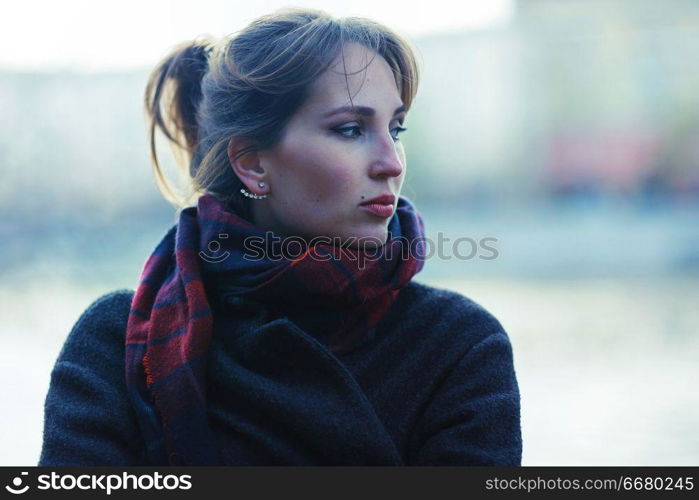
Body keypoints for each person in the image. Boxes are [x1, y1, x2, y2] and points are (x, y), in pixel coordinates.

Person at [39, 7, 522, 466]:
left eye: (397, 128)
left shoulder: (457, 344)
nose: (392, 163)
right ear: (251, 163)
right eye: (351, 129)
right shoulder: (117, 339)